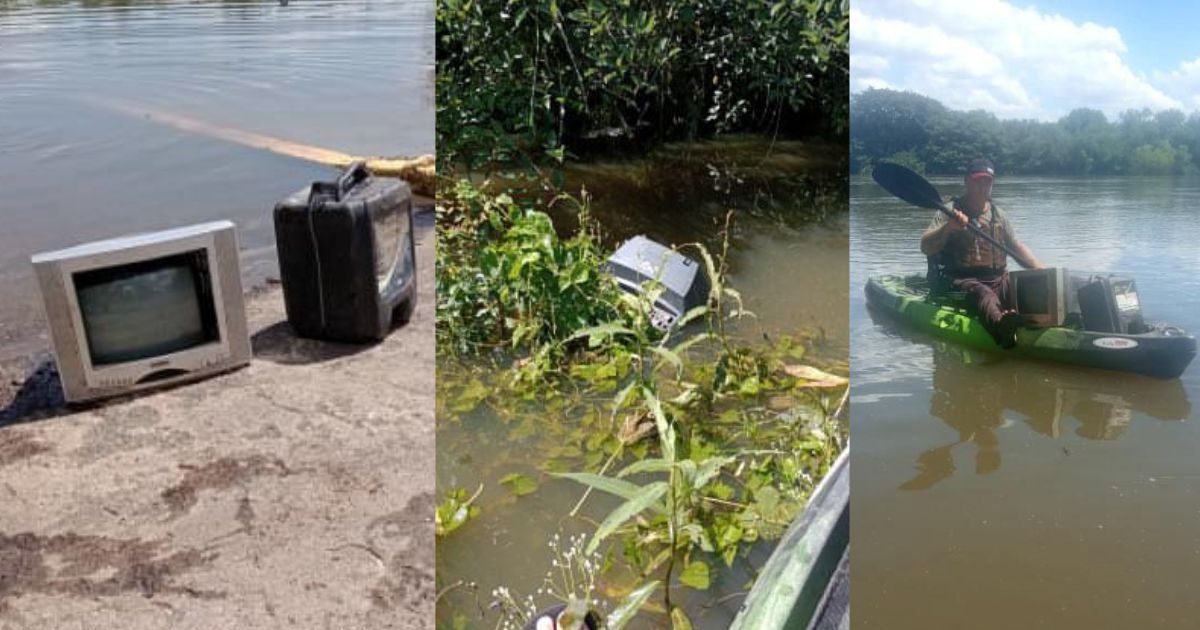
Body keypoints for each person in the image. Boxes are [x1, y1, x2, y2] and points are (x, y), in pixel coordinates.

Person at [920, 158, 1044, 348]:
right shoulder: (949, 211)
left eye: (988, 181)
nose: (983, 186)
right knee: (983, 293)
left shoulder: (998, 214)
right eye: (978, 181)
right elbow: (925, 246)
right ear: (967, 181)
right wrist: (947, 228)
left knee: (1025, 285)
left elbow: (1017, 246)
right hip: (963, 281)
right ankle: (1002, 329)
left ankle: (1045, 323)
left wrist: (1042, 272)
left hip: (998, 278)